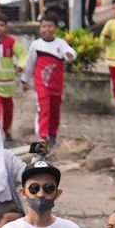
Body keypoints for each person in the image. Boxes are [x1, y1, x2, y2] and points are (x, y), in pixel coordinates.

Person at [24, 16, 77, 149]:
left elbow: (69, 52)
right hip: (42, 85)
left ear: (56, 28)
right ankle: (42, 138)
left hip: (57, 85)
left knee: (55, 110)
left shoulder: (60, 43)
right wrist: (25, 79)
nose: (47, 29)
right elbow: (30, 64)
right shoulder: (36, 45)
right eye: (44, 26)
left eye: (50, 26)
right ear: (40, 28)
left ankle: (53, 136)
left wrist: (70, 55)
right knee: (44, 109)